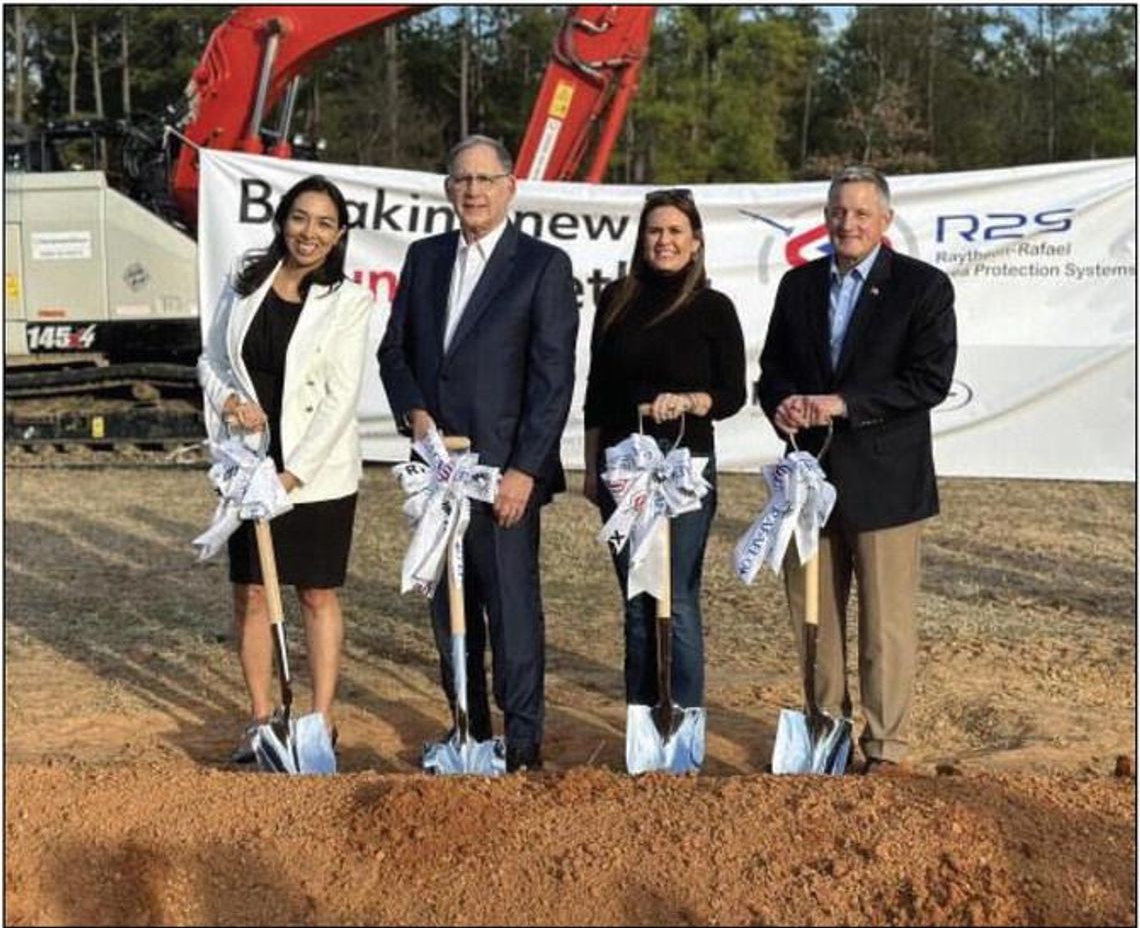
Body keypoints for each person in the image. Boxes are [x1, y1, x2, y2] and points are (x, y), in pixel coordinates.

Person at [378, 134, 578, 773]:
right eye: (462, 179)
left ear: (510, 187)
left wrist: (525, 468)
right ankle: (469, 728)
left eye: (486, 179)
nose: (473, 191)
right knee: (450, 610)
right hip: (439, 474)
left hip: (503, 476)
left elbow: (553, 378)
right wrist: (413, 411)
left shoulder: (541, 266)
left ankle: (522, 743)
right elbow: (395, 351)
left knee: (512, 609)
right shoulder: (425, 257)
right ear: (447, 189)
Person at [757, 164, 957, 775]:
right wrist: (783, 404)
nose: (848, 223)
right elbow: (773, 371)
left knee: (884, 626)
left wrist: (845, 406)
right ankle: (826, 733)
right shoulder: (798, 286)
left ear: (886, 220)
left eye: (862, 213)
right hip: (809, 482)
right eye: (838, 212)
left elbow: (929, 381)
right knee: (813, 618)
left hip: (886, 484)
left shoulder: (923, 288)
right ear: (825, 217)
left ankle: (885, 745)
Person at [198, 174, 374, 763]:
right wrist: (226, 401)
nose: (310, 232)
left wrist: (291, 476)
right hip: (249, 465)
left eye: (325, 223)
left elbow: (339, 399)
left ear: (339, 234)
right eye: (300, 218)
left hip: (314, 476)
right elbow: (212, 358)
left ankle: (319, 721)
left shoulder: (349, 302)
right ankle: (260, 719)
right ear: (282, 221)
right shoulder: (246, 280)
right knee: (250, 594)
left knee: (316, 595)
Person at [583, 187, 745, 738]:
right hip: (623, 470)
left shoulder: (713, 308)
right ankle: (645, 720)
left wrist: (693, 400)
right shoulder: (617, 299)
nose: (665, 240)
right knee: (637, 598)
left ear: (696, 242)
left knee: (675, 594)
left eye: (676, 231)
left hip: (686, 472)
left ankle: (683, 721)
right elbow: (597, 391)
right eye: (655, 230)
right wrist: (590, 469)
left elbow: (732, 394)